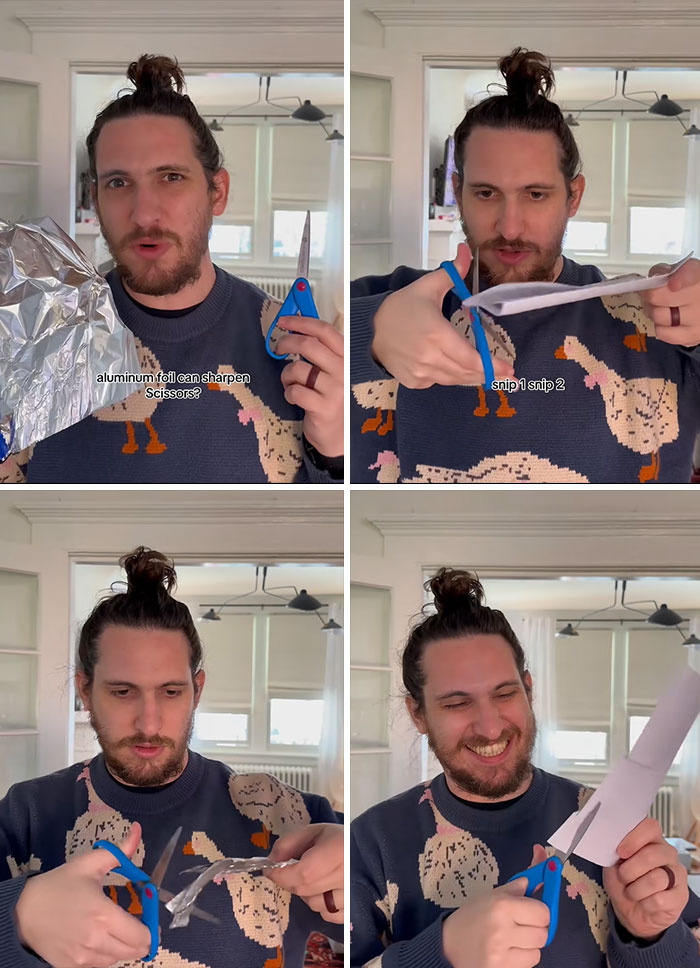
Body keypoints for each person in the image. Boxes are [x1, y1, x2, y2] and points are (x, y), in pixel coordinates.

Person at [350, 48, 700, 484]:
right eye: (485, 194)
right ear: (457, 191)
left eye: (535, 195)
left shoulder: (655, 325)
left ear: (573, 197)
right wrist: (369, 331)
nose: (509, 227)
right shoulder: (386, 299)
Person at [1, 54, 343, 484]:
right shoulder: (36, 336)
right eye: (119, 183)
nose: (144, 214)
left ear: (217, 192)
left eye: (171, 177)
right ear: (96, 197)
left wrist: (335, 454)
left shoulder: (291, 343)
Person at [0, 547, 343, 968]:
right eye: (123, 692)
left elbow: (389, 930)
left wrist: (356, 875)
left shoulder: (288, 816)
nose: (148, 723)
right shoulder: (26, 814)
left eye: (171, 692)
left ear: (197, 690)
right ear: (85, 691)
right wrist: (13, 917)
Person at [350, 567, 700, 967]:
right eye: (457, 703)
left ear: (529, 691)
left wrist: (650, 936)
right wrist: (438, 953)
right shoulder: (370, 843)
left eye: (505, 693)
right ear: (418, 714)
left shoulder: (609, 826)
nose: (490, 726)